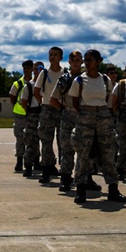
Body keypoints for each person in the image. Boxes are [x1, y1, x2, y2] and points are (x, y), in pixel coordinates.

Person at [68, 50, 126, 204]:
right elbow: (75, 101)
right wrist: (85, 113)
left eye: (90, 60)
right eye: (85, 60)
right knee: (83, 153)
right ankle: (80, 189)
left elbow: (108, 97)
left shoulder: (105, 80)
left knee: (108, 152)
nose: (87, 63)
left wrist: (100, 112)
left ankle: (113, 189)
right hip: (85, 116)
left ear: (98, 61)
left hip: (103, 116)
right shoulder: (79, 80)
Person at [34, 47, 65, 184]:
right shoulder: (45, 73)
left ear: (61, 57)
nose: (52, 57)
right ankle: (46, 169)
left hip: (62, 109)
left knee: (63, 141)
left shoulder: (65, 73)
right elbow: (36, 90)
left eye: (55, 55)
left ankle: (65, 170)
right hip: (47, 109)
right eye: (50, 55)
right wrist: (43, 102)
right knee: (46, 140)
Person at [52, 50, 82, 192]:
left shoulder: (87, 78)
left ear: (82, 62)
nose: (76, 63)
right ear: (69, 62)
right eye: (73, 60)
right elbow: (53, 99)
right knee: (66, 148)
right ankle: (65, 178)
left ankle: (85, 178)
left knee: (85, 149)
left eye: (78, 60)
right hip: (68, 116)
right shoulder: (64, 79)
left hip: (84, 116)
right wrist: (64, 109)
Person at [8, 60, 34, 173]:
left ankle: (35, 161)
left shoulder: (36, 83)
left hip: (32, 115)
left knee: (33, 139)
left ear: (32, 69)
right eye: (25, 68)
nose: (27, 70)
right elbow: (12, 97)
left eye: (29, 67)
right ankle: (19, 161)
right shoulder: (18, 84)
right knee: (20, 139)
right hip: (20, 115)